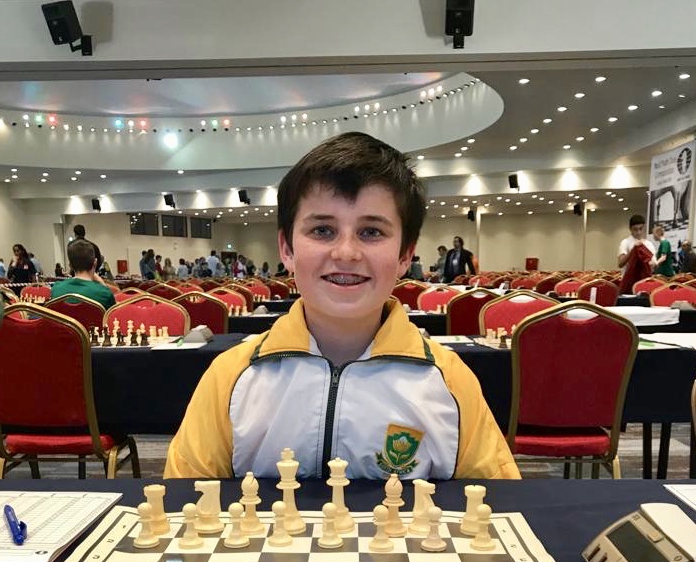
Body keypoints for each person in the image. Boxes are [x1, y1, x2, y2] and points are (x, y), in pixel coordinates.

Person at [165, 131, 519, 481]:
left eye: (371, 232)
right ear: (287, 249)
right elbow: (185, 501)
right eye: (322, 230)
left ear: (405, 255)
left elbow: (497, 504)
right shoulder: (230, 377)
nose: (346, 253)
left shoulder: (449, 381)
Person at [50, 240, 115, 308]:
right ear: (95, 263)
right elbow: (112, 312)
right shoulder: (104, 293)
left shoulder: (56, 289)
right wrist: (103, 285)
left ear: (70, 265)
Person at [617, 214, 655, 294]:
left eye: (640, 229)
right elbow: (620, 263)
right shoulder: (625, 242)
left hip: (644, 283)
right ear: (630, 229)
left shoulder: (649, 244)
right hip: (628, 284)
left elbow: (654, 264)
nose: (638, 232)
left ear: (644, 227)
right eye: (635, 229)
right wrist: (633, 250)